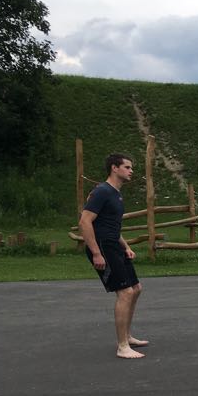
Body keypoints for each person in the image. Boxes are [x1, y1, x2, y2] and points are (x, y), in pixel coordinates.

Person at [78, 153, 147, 359]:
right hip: (103, 247)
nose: (131, 171)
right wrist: (96, 253)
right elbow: (85, 222)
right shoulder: (102, 191)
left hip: (114, 245)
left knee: (136, 289)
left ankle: (127, 336)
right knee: (125, 292)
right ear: (114, 168)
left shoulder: (116, 194)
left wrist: (126, 246)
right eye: (127, 167)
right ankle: (122, 346)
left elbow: (111, 226)